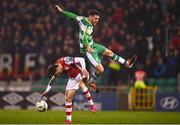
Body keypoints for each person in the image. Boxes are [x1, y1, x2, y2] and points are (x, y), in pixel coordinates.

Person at [54, 5, 137, 90]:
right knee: (101, 69)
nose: (97, 21)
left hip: (93, 45)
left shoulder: (83, 19)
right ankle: (91, 81)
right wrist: (87, 47)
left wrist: (61, 11)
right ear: (90, 17)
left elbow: (73, 16)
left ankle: (127, 63)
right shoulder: (89, 26)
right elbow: (84, 37)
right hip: (87, 50)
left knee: (110, 52)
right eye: (95, 18)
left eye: (98, 19)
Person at [41, 57, 96, 124]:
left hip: (82, 73)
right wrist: (47, 90)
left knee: (81, 84)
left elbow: (81, 59)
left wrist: (84, 69)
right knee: (67, 98)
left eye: (57, 73)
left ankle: (92, 105)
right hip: (72, 78)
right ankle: (68, 120)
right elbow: (52, 80)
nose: (58, 75)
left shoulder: (66, 60)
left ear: (57, 68)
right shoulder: (56, 67)